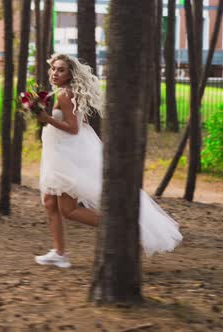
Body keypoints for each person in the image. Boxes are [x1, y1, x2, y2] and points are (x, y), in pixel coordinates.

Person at [31, 54, 182, 268]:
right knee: (49, 202)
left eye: (61, 70)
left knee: (68, 210)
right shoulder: (65, 93)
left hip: (67, 155)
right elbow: (80, 123)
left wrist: (45, 119)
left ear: (71, 74)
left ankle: (120, 230)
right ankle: (59, 252)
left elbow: (73, 129)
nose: (55, 73)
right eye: (54, 69)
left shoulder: (66, 95)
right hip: (61, 152)